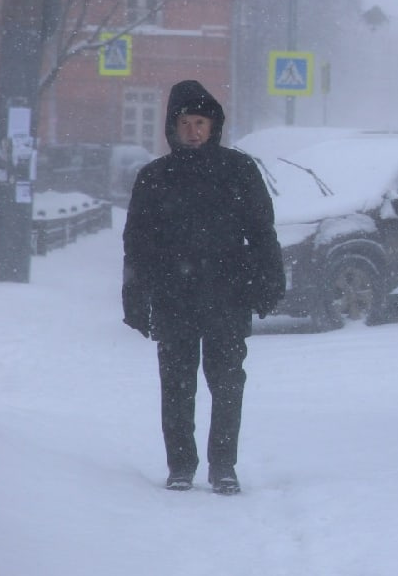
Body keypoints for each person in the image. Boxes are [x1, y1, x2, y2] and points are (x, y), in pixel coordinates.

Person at [122, 80, 285, 494]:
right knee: (177, 384)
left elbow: (262, 231)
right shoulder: (155, 177)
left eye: (201, 122)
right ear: (172, 128)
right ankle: (180, 465)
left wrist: (268, 281)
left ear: (214, 126)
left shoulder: (238, 170)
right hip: (172, 296)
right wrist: (136, 296)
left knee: (227, 382)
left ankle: (223, 465)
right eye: (185, 122)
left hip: (228, 294)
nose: (193, 131)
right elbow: (136, 244)